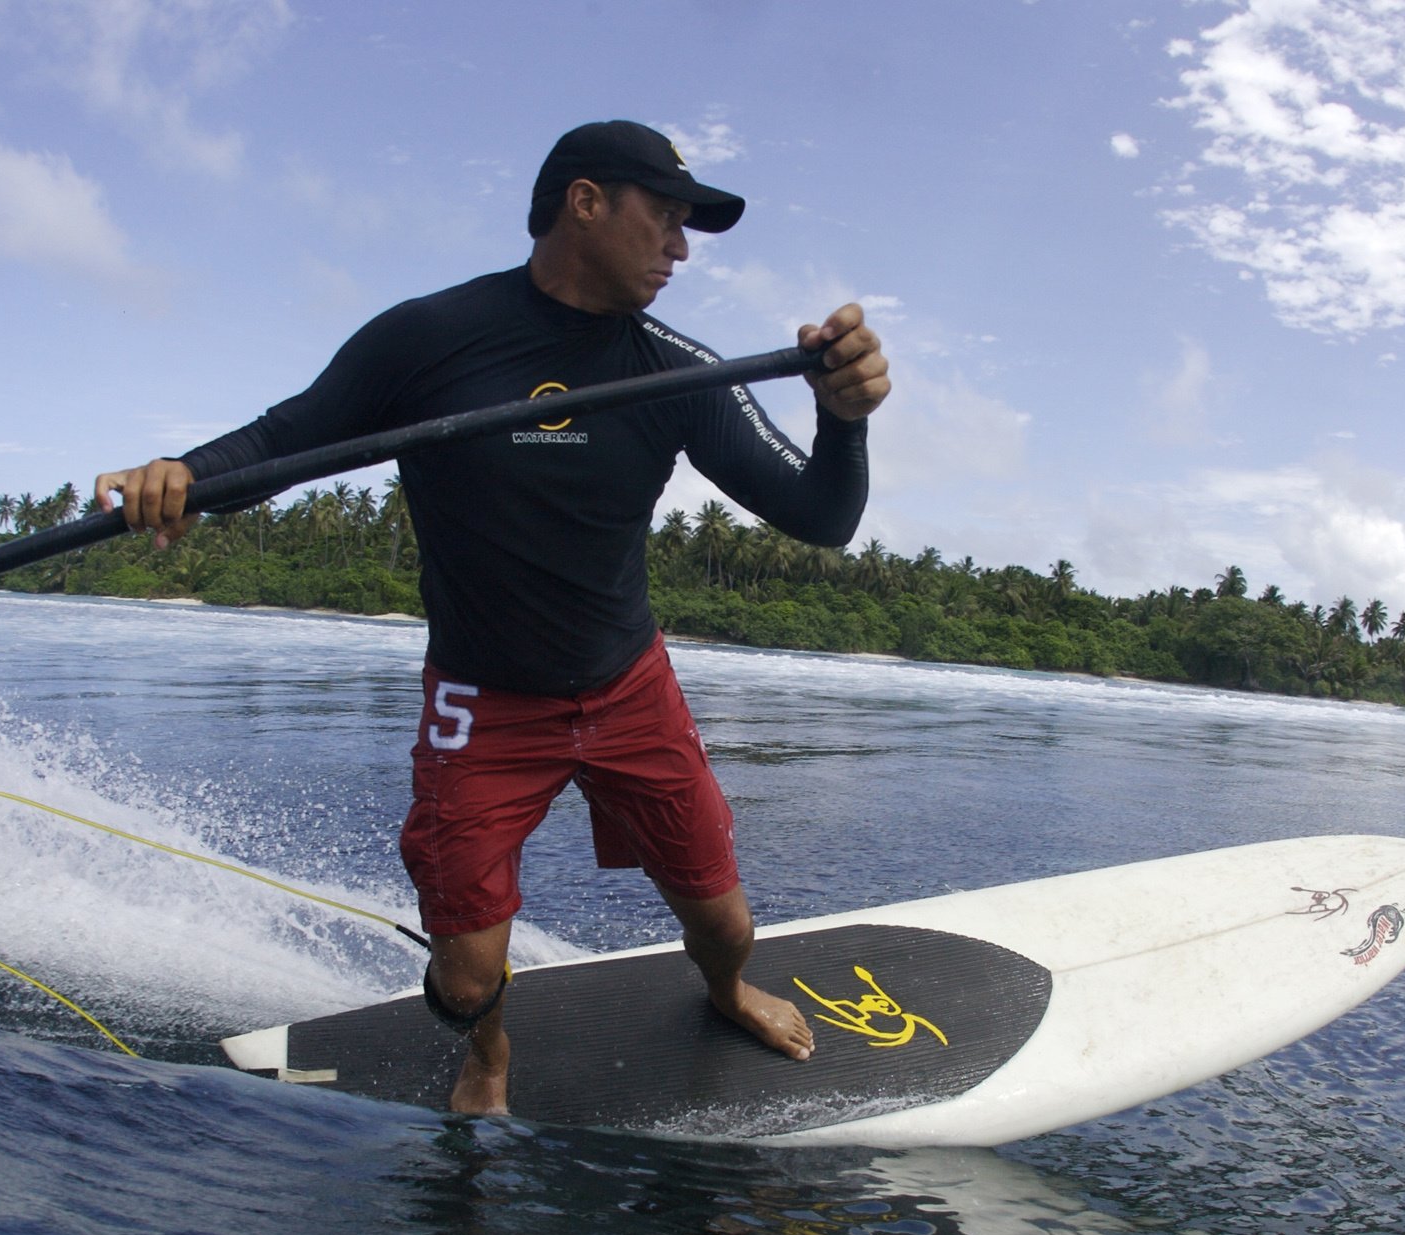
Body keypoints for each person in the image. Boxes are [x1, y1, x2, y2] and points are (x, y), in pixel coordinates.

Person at [96, 120, 890, 1116]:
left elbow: (823, 518)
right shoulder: (428, 338)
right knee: (465, 979)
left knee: (723, 920)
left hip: (626, 687)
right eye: (666, 219)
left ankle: (725, 988)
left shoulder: (671, 373)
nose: (680, 251)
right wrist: (178, 478)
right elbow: (283, 437)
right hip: (481, 702)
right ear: (585, 202)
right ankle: (489, 1052)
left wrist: (842, 418)